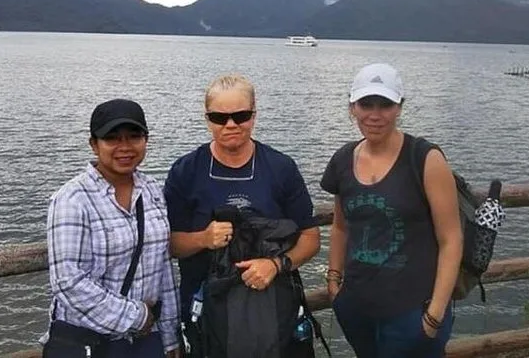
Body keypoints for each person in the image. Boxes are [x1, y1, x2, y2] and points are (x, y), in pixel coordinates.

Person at [164, 74, 320, 357]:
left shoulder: (282, 168)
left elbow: (310, 238)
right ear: (207, 119)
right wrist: (203, 239)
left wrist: (276, 265)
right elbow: (169, 245)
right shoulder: (185, 172)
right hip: (206, 316)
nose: (231, 125)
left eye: (241, 116)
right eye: (219, 118)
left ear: (254, 115)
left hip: (273, 311)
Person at [320, 63, 463, 358]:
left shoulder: (425, 159)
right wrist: (334, 281)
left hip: (413, 311)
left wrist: (434, 315)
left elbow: (451, 239)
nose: (375, 115)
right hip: (356, 307)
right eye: (366, 104)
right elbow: (340, 226)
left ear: (400, 107)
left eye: (385, 104)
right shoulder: (343, 159)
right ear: (352, 107)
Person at [42, 98, 180, 358]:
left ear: (146, 140)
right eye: (112, 138)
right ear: (94, 144)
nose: (124, 147)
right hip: (91, 341)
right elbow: (68, 282)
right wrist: (137, 317)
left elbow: (162, 267)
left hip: (147, 340)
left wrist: (170, 335)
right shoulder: (72, 200)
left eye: (134, 136)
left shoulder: (152, 191)